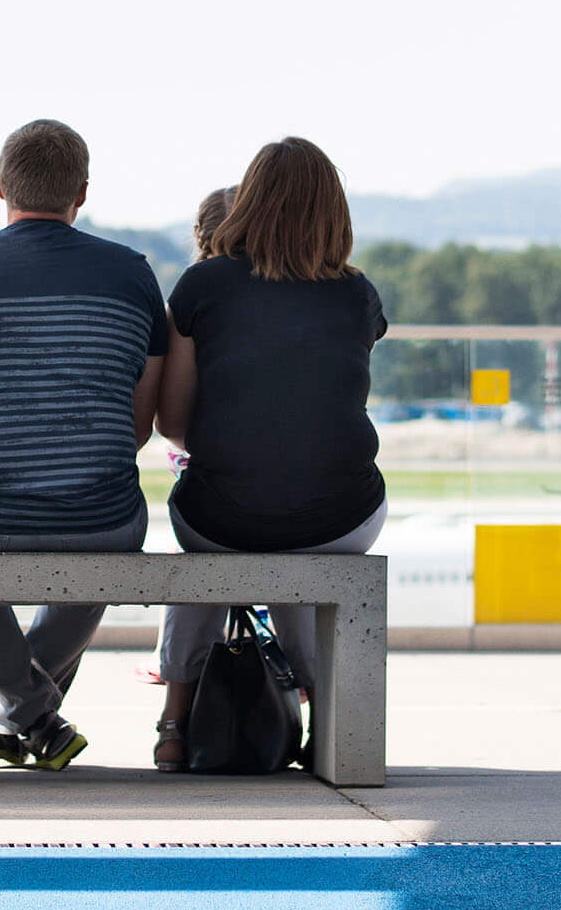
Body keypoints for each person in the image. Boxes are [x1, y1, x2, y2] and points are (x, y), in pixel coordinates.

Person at [0, 119, 167, 771]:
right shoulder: (134, 276)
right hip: (105, 519)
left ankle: (19, 708)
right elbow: (135, 431)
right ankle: (28, 715)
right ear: (81, 192)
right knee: (103, 518)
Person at [151, 136, 388, 772]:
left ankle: (174, 724)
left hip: (220, 518)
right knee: (300, 529)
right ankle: (324, 719)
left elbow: (173, 424)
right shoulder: (358, 294)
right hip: (344, 515)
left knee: (224, 533)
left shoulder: (202, 284)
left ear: (249, 200)